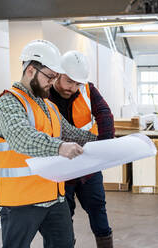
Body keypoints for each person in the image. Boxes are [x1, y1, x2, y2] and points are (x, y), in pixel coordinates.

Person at [0, 40, 97, 248]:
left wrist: (103, 143)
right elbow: (23, 138)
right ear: (30, 70)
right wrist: (59, 147)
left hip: (54, 197)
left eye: (55, 77)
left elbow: (71, 133)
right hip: (20, 202)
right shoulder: (8, 102)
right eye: (50, 76)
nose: (52, 82)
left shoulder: (48, 106)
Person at [49, 50, 114, 248]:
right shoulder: (44, 94)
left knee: (97, 208)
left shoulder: (87, 89)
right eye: (69, 82)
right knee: (62, 217)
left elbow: (104, 114)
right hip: (60, 166)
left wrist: (104, 146)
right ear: (58, 74)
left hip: (87, 165)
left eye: (78, 83)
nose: (74, 88)